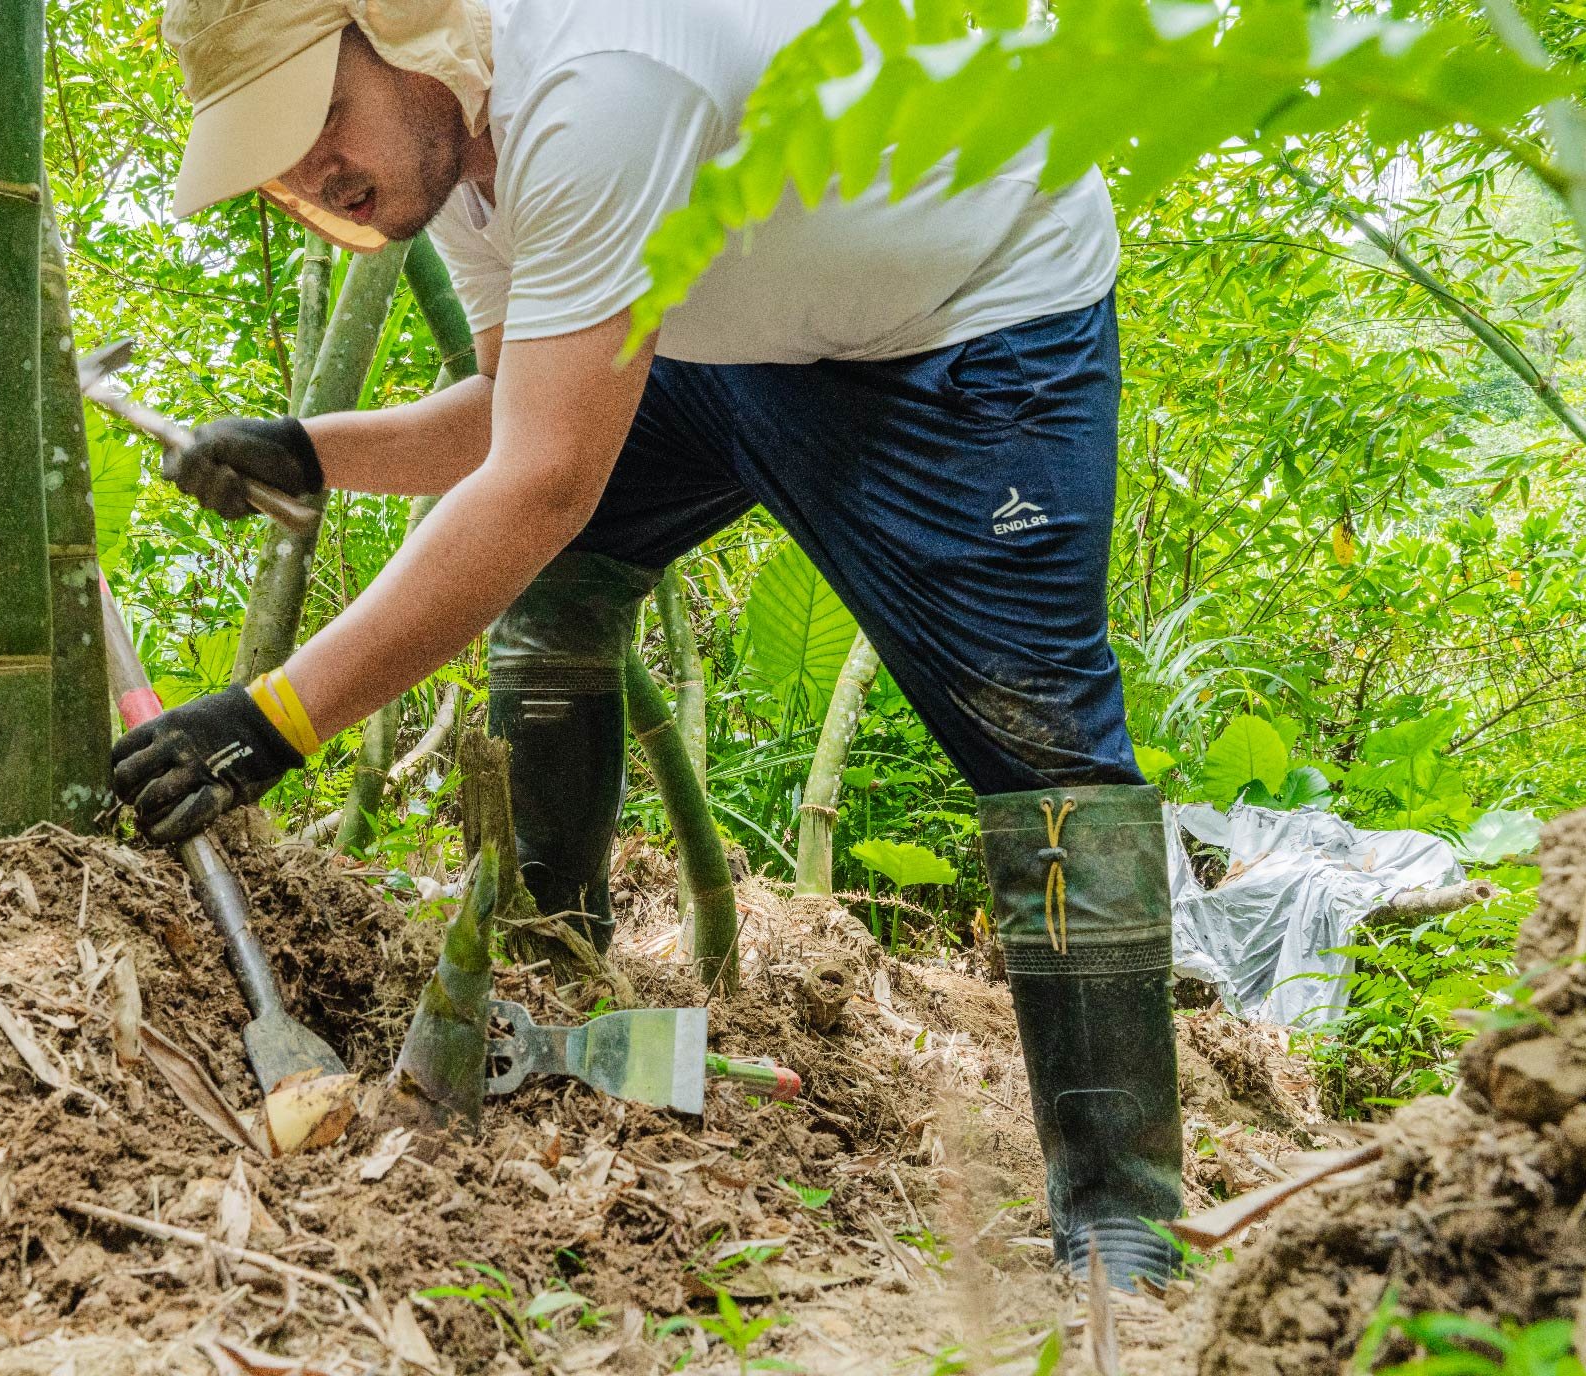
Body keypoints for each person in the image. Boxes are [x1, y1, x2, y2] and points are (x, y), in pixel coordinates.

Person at [111, 0, 1184, 1287]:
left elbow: (544, 478)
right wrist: (310, 449)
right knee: (554, 586)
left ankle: (1120, 1211)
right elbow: (514, 415)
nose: (310, 176)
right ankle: (551, 960)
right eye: (275, 159)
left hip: (965, 331)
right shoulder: (456, 146)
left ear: (400, 31)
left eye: (319, 119)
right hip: (720, 330)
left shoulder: (596, 81)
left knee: (1038, 734)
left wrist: (274, 716)